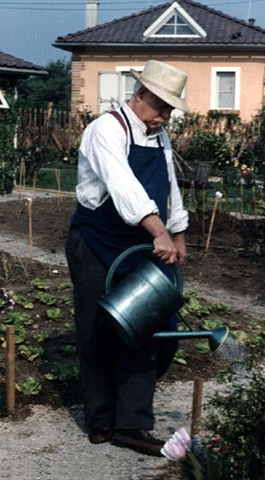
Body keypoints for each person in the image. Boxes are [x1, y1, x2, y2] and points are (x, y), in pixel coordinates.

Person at [65, 60, 189, 457]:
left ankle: (132, 422)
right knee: (97, 329)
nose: (164, 117)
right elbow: (124, 187)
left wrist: (178, 232)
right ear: (140, 96)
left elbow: (169, 187)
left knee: (152, 326)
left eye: (170, 110)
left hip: (140, 243)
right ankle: (102, 420)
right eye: (160, 107)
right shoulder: (106, 130)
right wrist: (159, 232)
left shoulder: (159, 136)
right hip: (97, 240)